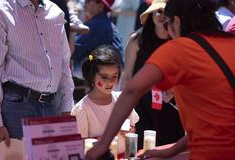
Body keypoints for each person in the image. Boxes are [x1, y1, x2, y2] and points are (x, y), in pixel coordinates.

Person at [85, 0, 235, 159]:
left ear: (177, 21)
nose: (167, 32)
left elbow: (132, 90)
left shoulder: (181, 48)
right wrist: (170, 151)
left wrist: (102, 145)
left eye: (166, 24)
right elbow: (212, 125)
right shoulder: (230, 43)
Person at [0, 0, 74, 146]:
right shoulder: (1, 12)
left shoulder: (55, 11)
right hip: (18, 107)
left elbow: (63, 64)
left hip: (52, 105)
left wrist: (67, 107)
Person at [121, 0, 184, 150]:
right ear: (151, 14)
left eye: (165, 12)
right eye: (158, 11)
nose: (161, 16)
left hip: (170, 104)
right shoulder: (137, 40)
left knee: (170, 148)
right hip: (142, 105)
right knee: (141, 148)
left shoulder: (179, 41)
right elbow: (127, 76)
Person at [71, 45, 139, 155]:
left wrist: (130, 130)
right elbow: (80, 145)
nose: (110, 82)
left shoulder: (123, 100)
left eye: (114, 76)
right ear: (92, 76)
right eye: (104, 77)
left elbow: (132, 128)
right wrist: (112, 136)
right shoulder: (82, 109)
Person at [71, 0, 124, 102]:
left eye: (89, 1)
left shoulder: (96, 25)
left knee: (70, 60)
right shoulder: (106, 23)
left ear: (100, 6)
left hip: (103, 69)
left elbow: (73, 51)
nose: (85, 3)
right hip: (114, 74)